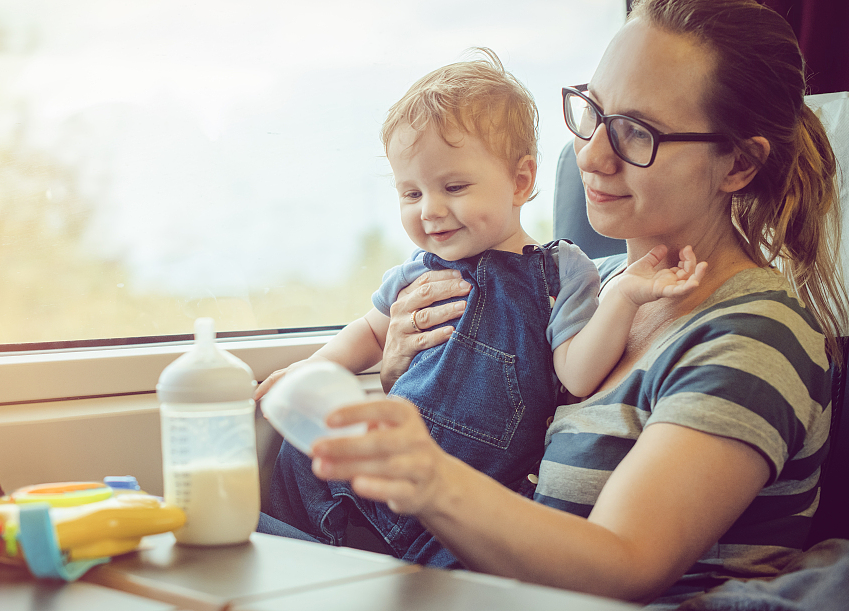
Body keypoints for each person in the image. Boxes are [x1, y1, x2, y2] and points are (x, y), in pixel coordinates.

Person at [303, 0, 849, 607]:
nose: (589, 155)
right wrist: (405, 365)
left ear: (739, 166)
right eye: (593, 112)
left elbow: (625, 565)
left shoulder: (754, 336)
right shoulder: (592, 283)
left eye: (636, 133)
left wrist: (429, 478)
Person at [255, 51, 706, 567]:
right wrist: (315, 368)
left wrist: (624, 297)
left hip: (465, 507)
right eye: (411, 192)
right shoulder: (416, 271)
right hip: (369, 483)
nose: (430, 210)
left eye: (454, 187)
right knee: (292, 470)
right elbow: (372, 333)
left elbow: (576, 375)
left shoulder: (561, 274)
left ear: (520, 181)